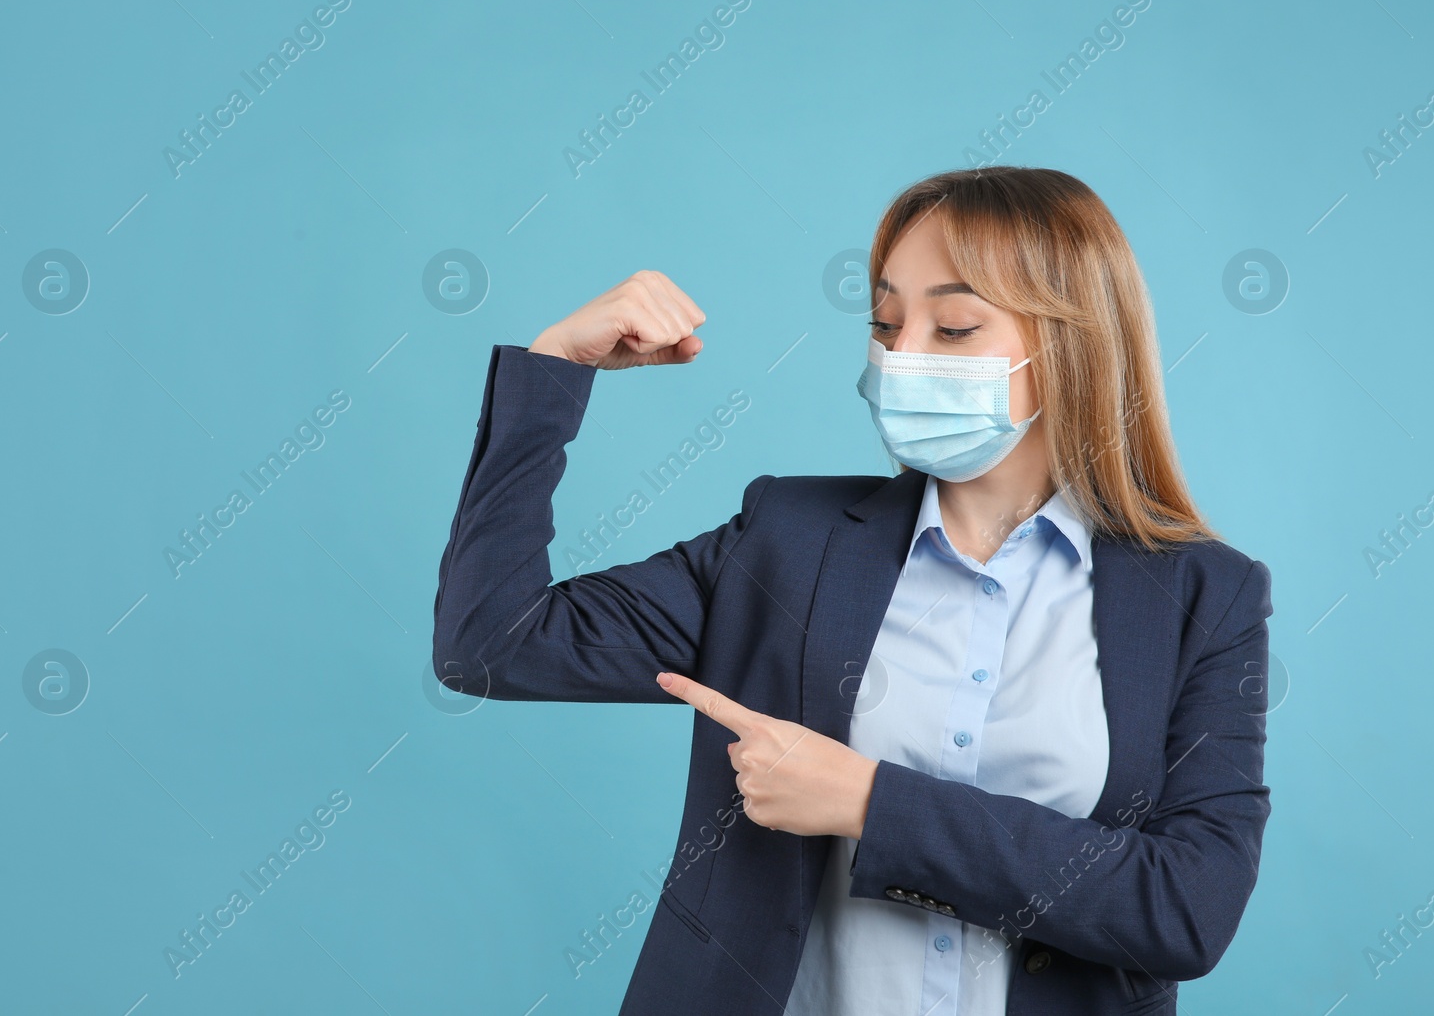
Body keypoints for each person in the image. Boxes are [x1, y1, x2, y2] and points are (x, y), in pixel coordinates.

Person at [432, 166, 1273, 1016]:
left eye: (952, 325)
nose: (902, 353)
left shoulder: (1205, 595)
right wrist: (553, 369)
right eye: (884, 321)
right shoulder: (786, 540)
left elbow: (1186, 907)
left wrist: (871, 802)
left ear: (1072, 344)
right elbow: (489, 641)